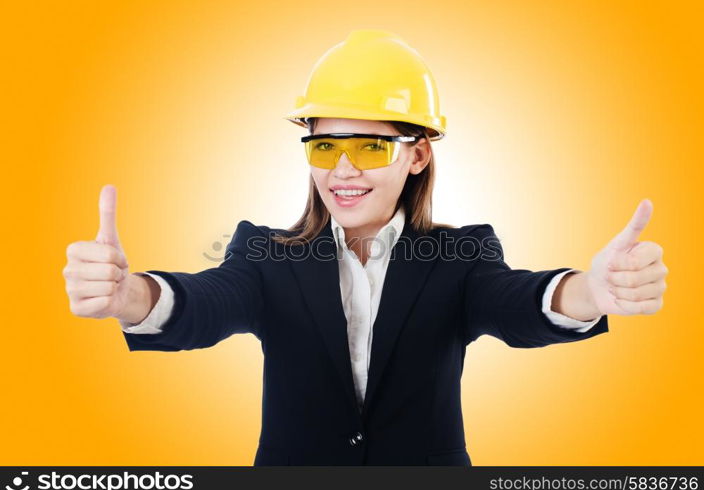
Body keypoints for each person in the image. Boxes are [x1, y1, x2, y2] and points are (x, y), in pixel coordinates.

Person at [63, 29, 668, 466]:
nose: (343, 169)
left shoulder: (463, 258)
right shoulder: (263, 254)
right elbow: (204, 301)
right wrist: (131, 296)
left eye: (370, 147)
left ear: (418, 154)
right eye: (325, 147)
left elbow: (515, 301)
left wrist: (593, 290)